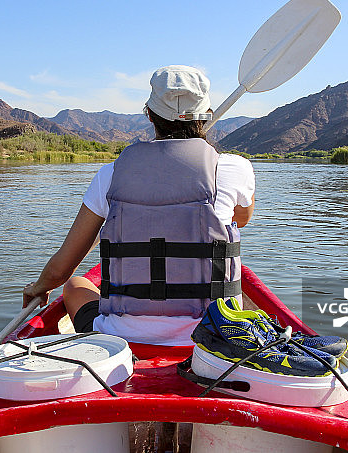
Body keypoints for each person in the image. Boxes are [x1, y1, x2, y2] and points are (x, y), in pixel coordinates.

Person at [22, 65, 255, 345]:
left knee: (74, 284)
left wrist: (38, 288)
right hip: (212, 337)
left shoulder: (109, 174)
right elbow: (241, 219)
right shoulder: (234, 168)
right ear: (206, 116)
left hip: (119, 339)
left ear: (149, 115)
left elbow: (60, 271)